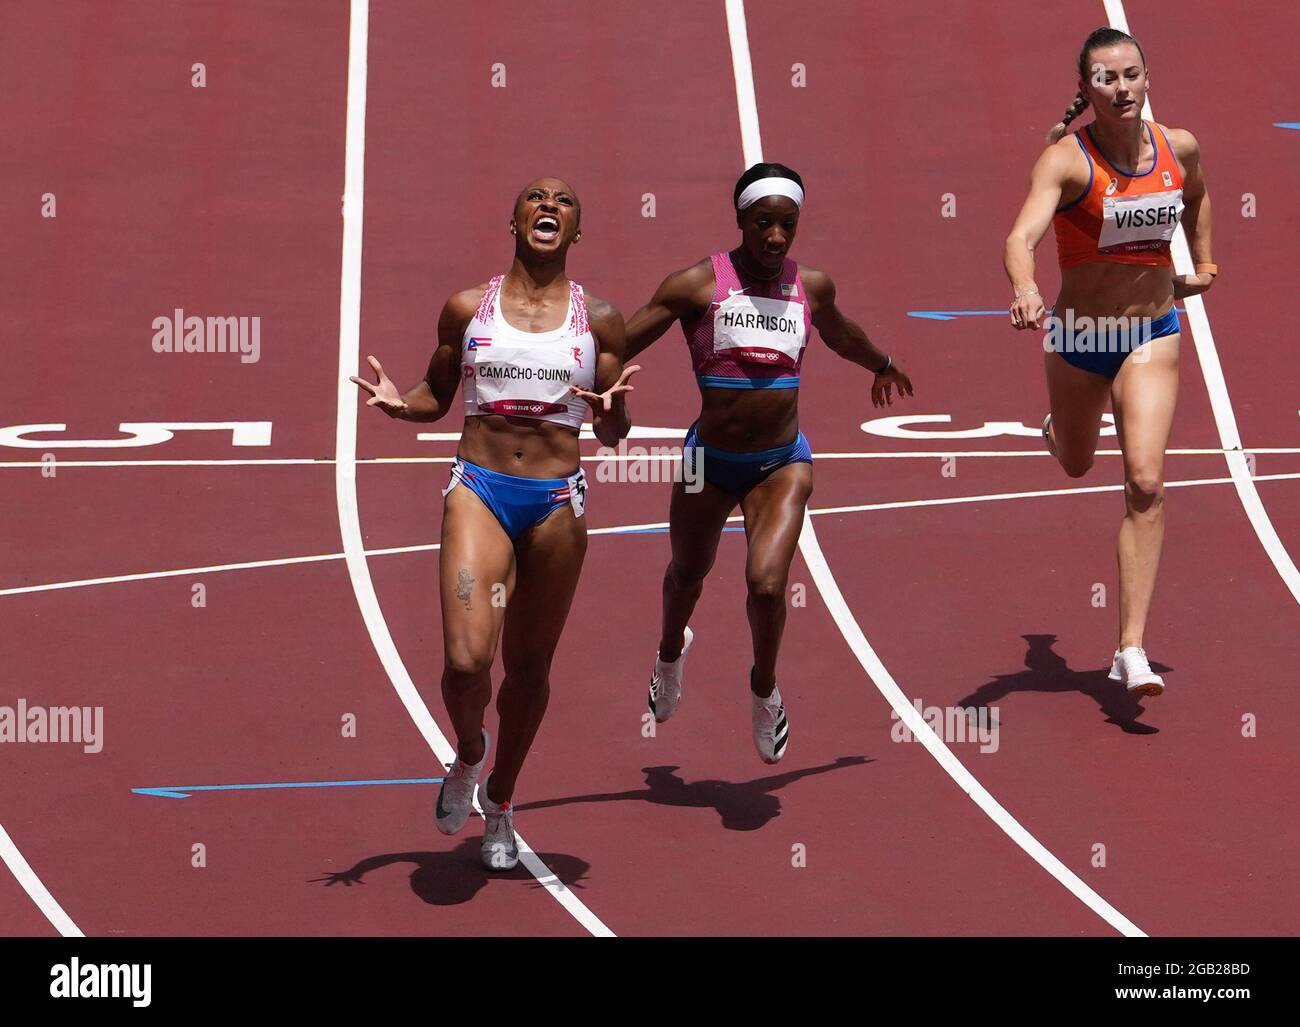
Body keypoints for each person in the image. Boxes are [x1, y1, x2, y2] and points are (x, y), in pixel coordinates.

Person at [351, 177, 637, 869]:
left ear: (577, 232)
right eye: (536, 198)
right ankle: (469, 754)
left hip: (555, 503)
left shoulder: (600, 319)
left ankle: (503, 802)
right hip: (479, 489)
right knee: (463, 663)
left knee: (529, 670)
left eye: (565, 201)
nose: (549, 206)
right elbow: (436, 394)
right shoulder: (465, 308)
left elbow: (616, 428)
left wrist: (611, 412)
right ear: (512, 220)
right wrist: (399, 403)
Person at [624, 162, 913, 763]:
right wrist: (586, 381)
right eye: (763, 224)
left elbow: (840, 333)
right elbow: (618, 343)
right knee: (687, 574)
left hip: (781, 463)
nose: (776, 237)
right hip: (709, 461)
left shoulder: (811, 286)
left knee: (768, 583)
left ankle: (763, 687)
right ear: (740, 219)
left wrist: (882, 363)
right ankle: (670, 652)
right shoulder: (696, 285)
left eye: (788, 225)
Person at [1004, 27, 1216, 697]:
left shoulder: (1177, 147)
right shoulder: (1067, 162)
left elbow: (1197, 195)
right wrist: (1027, 288)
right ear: (1087, 90)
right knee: (1074, 460)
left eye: (1130, 75)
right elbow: (1020, 236)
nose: (1121, 88)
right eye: (1106, 79)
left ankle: (1130, 647)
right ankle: (1055, 429)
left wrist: (1202, 262)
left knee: (1146, 483)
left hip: (1152, 333)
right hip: (1080, 336)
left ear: (1147, 77)